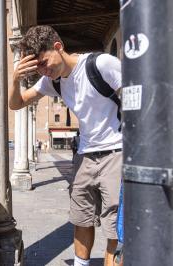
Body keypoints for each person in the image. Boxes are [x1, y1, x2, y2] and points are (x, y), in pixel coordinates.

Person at [9, 25, 122, 266]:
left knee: (115, 228)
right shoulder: (53, 81)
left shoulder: (101, 64)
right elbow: (16, 104)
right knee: (81, 219)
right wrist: (15, 79)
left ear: (58, 47)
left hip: (117, 151)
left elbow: (136, 98)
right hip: (84, 156)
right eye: (37, 66)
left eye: (43, 62)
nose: (43, 70)